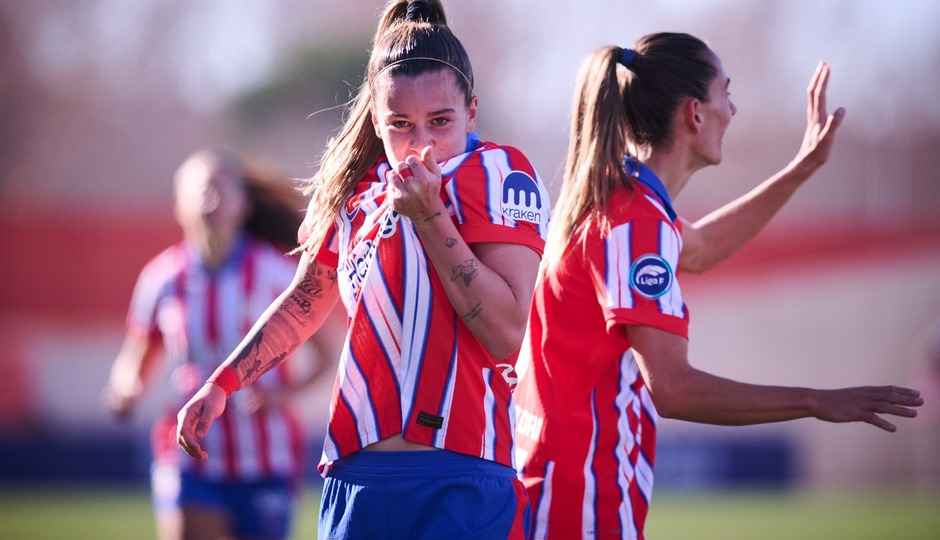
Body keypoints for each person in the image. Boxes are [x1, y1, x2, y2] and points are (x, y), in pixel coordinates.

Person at [511, 33, 924, 540]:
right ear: (695, 114)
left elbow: (702, 248)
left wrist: (802, 168)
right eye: (724, 92)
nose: (733, 107)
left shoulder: (620, 197)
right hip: (583, 495)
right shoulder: (634, 221)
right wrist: (818, 401)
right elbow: (673, 387)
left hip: (558, 481)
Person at [176, 1, 550, 538]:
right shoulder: (357, 193)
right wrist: (224, 382)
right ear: (377, 120)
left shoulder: (498, 172)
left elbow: (506, 329)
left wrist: (430, 218)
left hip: (464, 475)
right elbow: (305, 300)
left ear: (471, 112)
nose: (422, 143)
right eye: (401, 124)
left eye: (440, 121)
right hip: (357, 478)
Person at [103, 148, 337, 540]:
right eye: (198, 188)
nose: (209, 196)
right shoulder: (162, 278)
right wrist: (125, 388)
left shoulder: (276, 272)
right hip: (188, 457)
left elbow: (325, 357)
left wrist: (284, 396)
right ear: (179, 206)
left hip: (266, 458)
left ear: (244, 203)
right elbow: (135, 356)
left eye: (220, 186)